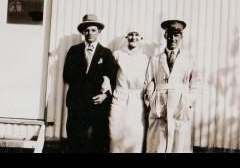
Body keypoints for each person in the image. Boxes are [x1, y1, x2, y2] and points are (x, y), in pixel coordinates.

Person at [63, 14, 117, 153]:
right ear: (82, 32)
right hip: (77, 104)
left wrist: (105, 96)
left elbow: (113, 79)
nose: (89, 33)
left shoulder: (106, 54)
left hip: (96, 105)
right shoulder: (73, 51)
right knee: (75, 141)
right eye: (86, 30)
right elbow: (67, 75)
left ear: (99, 32)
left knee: (94, 142)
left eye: (93, 30)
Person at [144, 20, 201, 153]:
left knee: (179, 144)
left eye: (176, 35)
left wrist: (188, 102)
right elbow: (148, 81)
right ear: (165, 36)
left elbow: (197, 84)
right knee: (158, 144)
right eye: (170, 34)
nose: (172, 38)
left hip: (180, 106)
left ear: (181, 37)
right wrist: (151, 101)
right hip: (159, 105)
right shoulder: (155, 59)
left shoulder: (189, 59)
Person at [109, 25, 149, 153]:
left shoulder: (145, 58)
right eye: (131, 34)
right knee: (116, 137)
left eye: (137, 34)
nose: (133, 37)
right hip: (119, 100)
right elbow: (109, 74)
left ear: (141, 37)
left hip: (137, 102)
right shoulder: (118, 55)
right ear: (126, 37)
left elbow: (149, 80)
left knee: (135, 138)